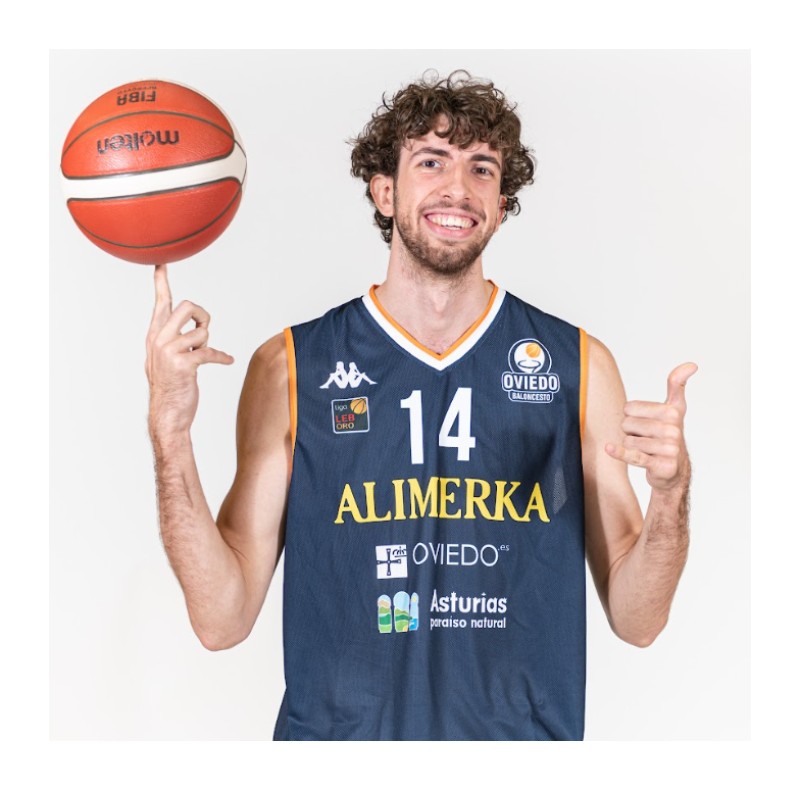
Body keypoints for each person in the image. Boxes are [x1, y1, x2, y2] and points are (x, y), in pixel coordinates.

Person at [145, 70, 696, 741]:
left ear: (501, 203)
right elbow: (220, 619)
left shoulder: (578, 366)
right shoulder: (291, 368)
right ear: (385, 191)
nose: (458, 188)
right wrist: (170, 430)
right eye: (431, 162)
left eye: (482, 169)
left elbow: (639, 621)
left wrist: (671, 495)